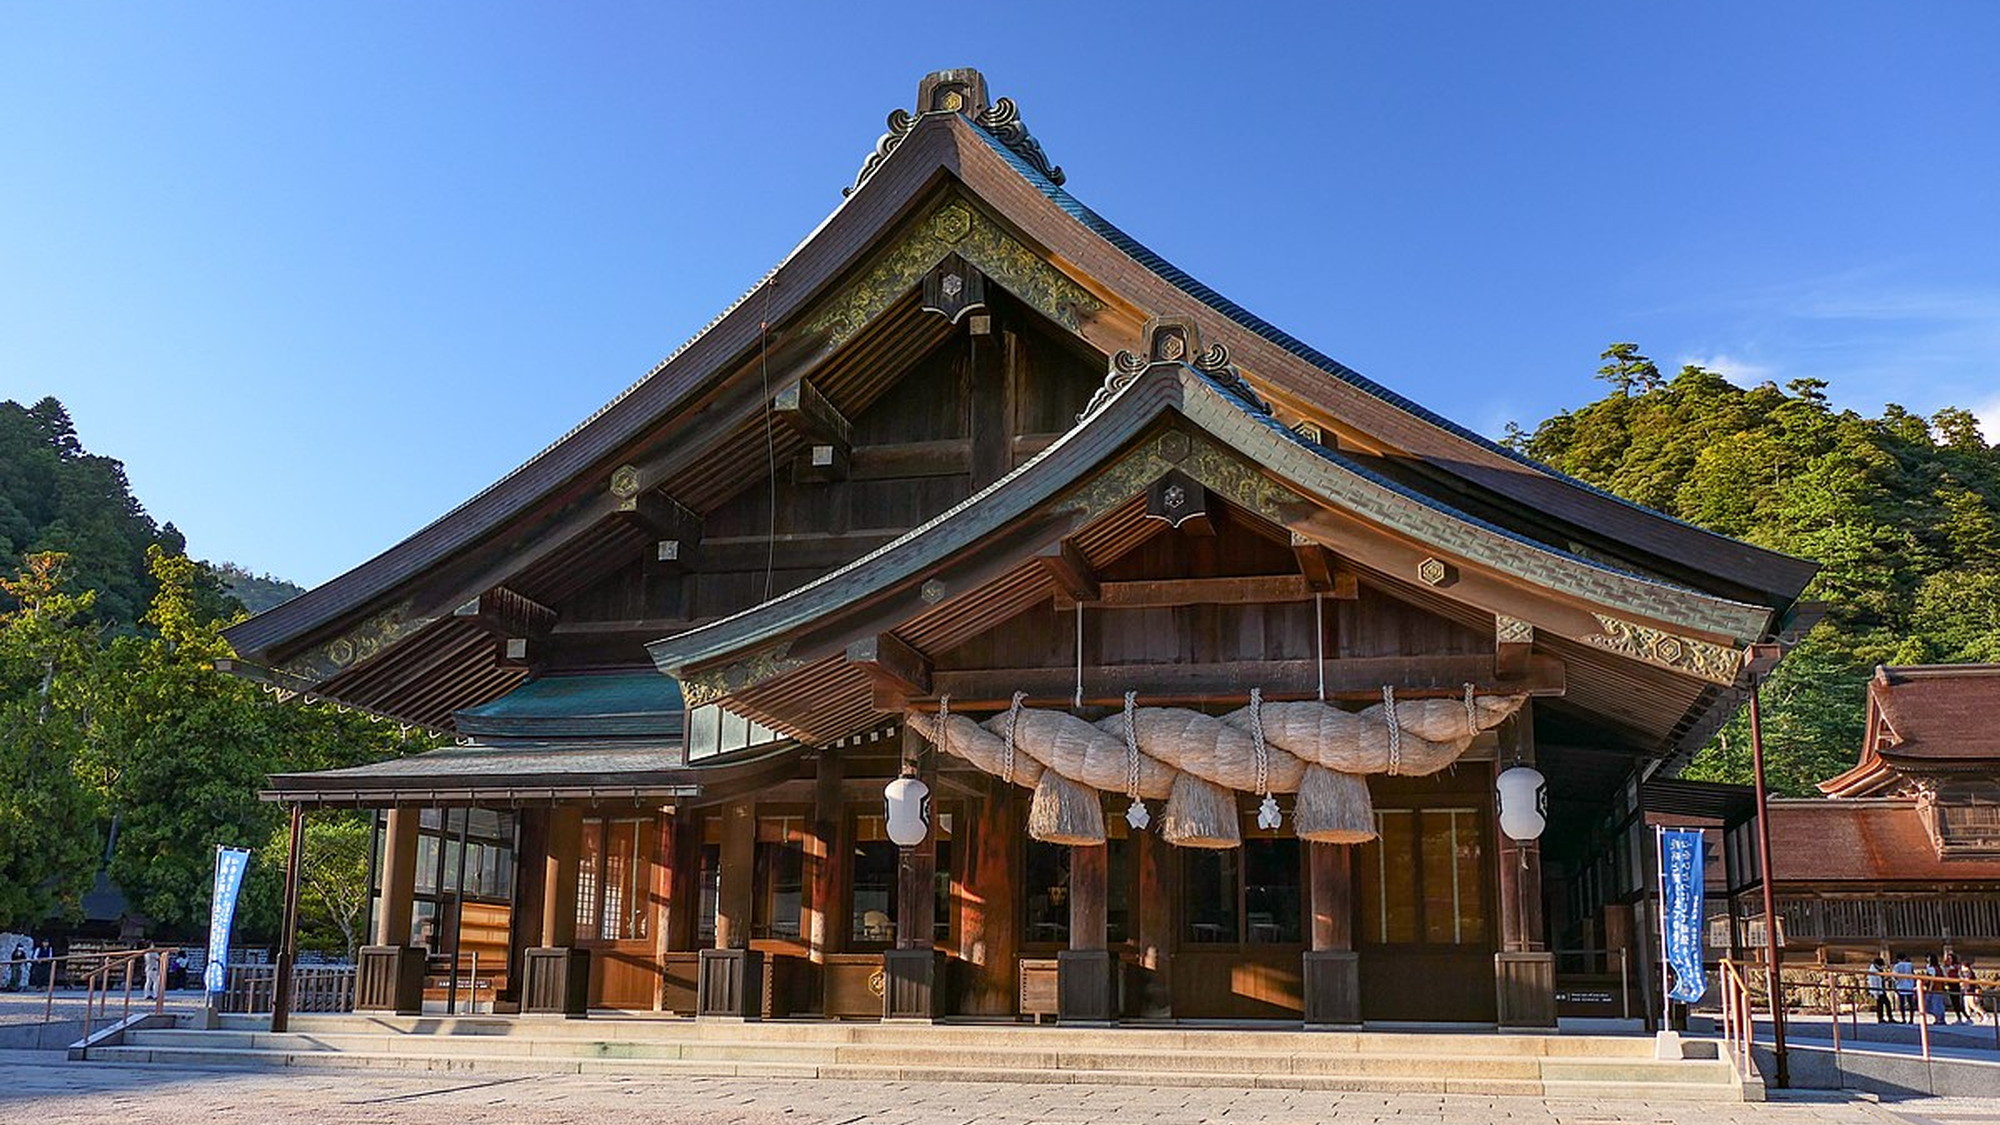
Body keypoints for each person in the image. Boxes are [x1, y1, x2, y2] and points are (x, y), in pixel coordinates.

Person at [1868, 957, 1894, 1023]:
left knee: (1881, 1004)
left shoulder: (1877, 969)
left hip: (1881, 989)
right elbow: (1873, 983)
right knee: (1885, 1003)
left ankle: (1881, 1017)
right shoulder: (1873, 971)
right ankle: (1887, 1017)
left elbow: (1880, 980)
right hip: (1878, 990)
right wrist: (1875, 993)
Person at [1893, 952, 1917, 1023]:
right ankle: (1911, 1019)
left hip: (1900, 985)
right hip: (1909, 984)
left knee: (1902, 1003)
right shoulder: (1910, 965)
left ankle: (1903, 1018)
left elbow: (1895, 976)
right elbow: (1913, 973)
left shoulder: (1897, 966)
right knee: (1910, 1003)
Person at [1925, 954, 1948, 1026]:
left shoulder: (1931, 968)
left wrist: (1930, 990)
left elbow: (1932, 980)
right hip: (1940, 988)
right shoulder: (1940, 968)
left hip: (1934, 988)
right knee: (1939, 1004)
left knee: (1933, 1004)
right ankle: (1940, 1018)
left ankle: (1938, 1018)